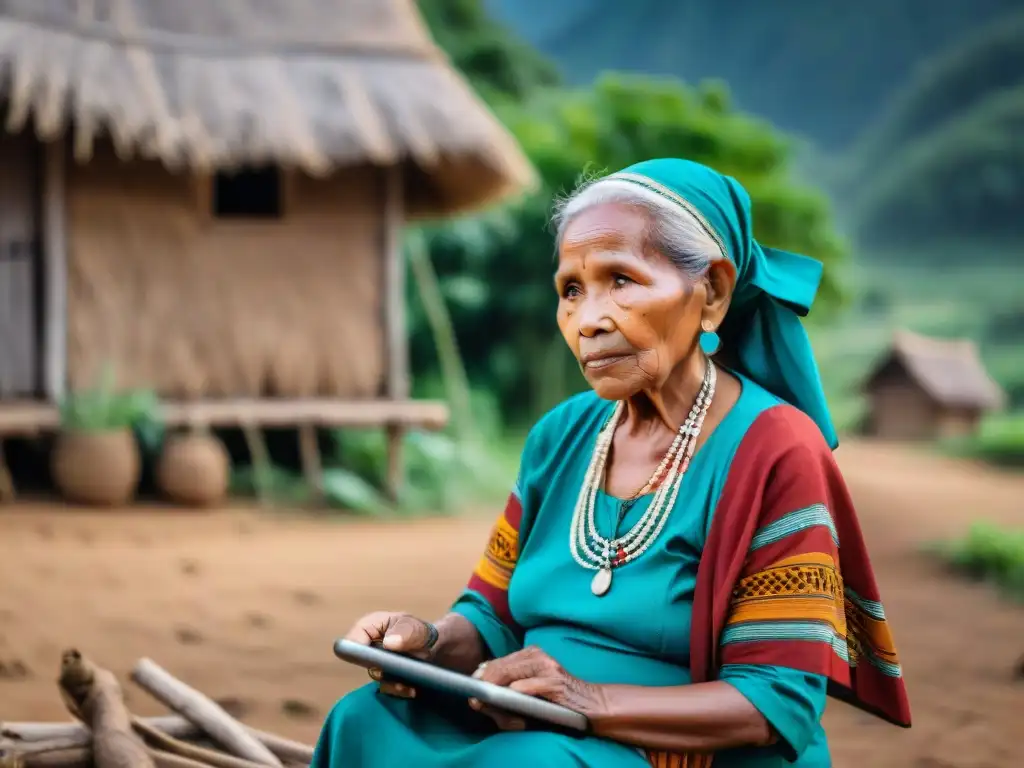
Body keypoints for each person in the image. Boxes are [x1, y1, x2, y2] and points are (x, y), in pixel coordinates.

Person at [311, 158, 912, 767]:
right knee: (363, 720)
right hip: (540, 734)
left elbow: (774, 700)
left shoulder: (776, 448)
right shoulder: (562, 435)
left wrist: (584, 700)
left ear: (713, 292)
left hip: (682, 755)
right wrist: (428, 644)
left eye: (621, 280)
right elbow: (491, 617)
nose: (588, 320)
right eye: (571, 290)